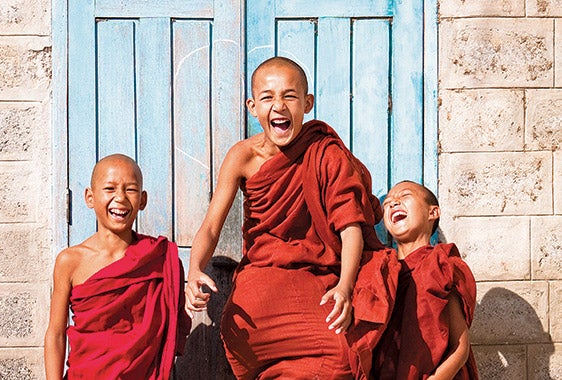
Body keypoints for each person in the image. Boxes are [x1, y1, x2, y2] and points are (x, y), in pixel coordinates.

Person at [185, 56, 399, 379]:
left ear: (307, 103)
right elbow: (212, 226)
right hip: (263, 275)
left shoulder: (325, 153)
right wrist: (194, 269)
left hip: (315, 276)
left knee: (344, 356)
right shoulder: (242, 156)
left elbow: (350, 226)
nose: (279, 106)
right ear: (252, 106)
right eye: (268, 97)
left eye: (289, 96)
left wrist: (344, 286)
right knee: (238, 334)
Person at [44, 154, 191, 380]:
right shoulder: (70, 261)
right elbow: (55, 333)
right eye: (110, 189)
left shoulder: (159, 259)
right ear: (89, 197)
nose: (120, 198)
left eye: (130, 190)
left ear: (143, 200)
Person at [373, 180, 479, 379]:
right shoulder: (380, 271)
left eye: (404, 196)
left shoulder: (440, 264)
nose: (394, 203)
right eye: (388, 203)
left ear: (433, 213)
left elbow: (460, 346)